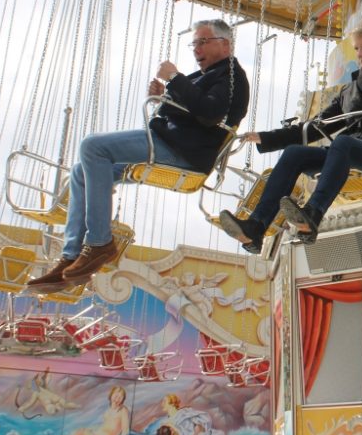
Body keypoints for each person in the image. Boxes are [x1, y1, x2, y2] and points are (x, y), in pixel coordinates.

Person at [28, 19, 250, 292]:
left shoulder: (231, 76)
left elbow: (210, 112)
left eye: (203, 42)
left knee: (92, 146)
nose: (196, 49)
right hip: (170, 142)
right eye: (194, 43)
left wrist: (174, 79)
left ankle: (99, 243)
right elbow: (191, 106)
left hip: (182, 150)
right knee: (79, 171)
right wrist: (164, 96)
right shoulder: (205, 76)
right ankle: (71, 255)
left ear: (224, 44)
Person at [218, 19, 362, 252]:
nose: (360, 54)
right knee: (294, 154)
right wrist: (266, 137)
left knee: (343, 142)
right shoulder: (348, 91)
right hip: (350, 153)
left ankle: (314, 213)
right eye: (356, 48)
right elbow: (314, 127)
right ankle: (256, 227)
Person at [62, 386, 130, 435]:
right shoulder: (107, 412)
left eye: (120, 397)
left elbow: (125, 430)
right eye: (116, 395)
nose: (117, 398)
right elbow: (104, 428)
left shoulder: (123, 410)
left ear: (122, 400)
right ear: (111, 395)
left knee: (77, 433)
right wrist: (90, 432)